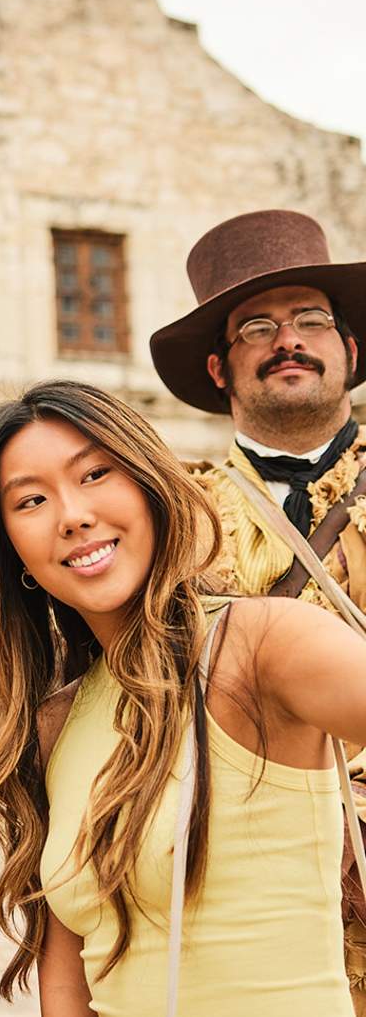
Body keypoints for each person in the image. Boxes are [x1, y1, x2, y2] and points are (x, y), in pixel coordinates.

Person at [0, 377, 366, 1017]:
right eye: (31, 500)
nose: (72, 515)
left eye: (94, 474)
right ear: (13, 554)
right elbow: (68, 978)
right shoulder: (56, 722)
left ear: (151, 486)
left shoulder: (260, 644)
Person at [150, 208, 366, 1005]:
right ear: (218, 367)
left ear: (349, 348)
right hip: (241, 883)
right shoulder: (172, 517)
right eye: (257, 327)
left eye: (312, 320)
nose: (289, 340)